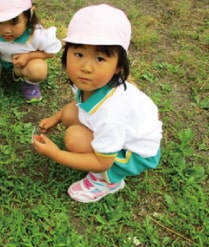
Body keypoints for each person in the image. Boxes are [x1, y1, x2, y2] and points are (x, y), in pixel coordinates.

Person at [32, 4, 162, 203]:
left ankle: (108, 182)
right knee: (69, 112)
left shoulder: (112, 113)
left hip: (135, 153)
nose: (85, 67)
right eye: (79, 54)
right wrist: (56, 118)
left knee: (73, 138)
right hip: (118, 130)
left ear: (119, 66)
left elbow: (102, 161)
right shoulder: (90, 84)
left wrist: (56, 154)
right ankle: (89, 139)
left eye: (100, 58)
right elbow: (75, 108)